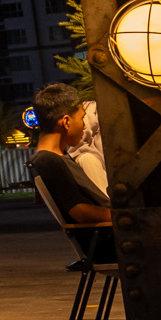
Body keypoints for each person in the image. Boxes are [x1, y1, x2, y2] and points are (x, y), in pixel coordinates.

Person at [29, 84, 111, 227]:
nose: (84, 126)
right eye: (81, 118)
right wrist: (125, 216)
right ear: (66, 122)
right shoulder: (48, 161)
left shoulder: (54, 159)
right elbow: (80, 211)